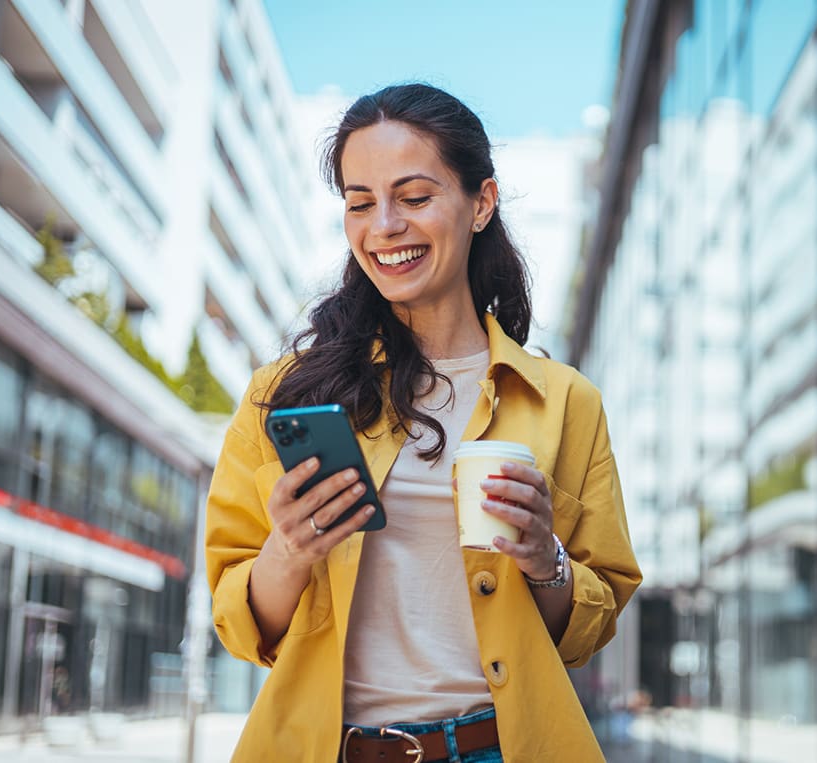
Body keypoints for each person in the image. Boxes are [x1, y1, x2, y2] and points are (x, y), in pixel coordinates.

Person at [205, 83, 642, 763]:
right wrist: (288, 548)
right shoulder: (286, 394)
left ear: (481, 203)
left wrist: (544, 559)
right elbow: (239, 623)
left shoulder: (565, 402)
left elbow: (591, 624)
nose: (383, 226)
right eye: (359, 203)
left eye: (413, 198)